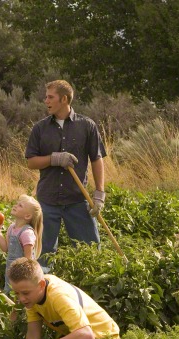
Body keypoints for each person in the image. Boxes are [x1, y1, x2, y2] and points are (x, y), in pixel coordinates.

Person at [25, 80, 107, 270]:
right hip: (47, 201)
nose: (46, 101)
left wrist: (99, 195)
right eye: (46, 97)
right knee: (41, 258)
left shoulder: (87, 126)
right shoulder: (40, 128)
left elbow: (97, 159)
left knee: (90, 253)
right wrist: (54, 158)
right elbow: (31, 162)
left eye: (50, 97)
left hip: (77, 200)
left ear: (64, 99)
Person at [7, 257, 119, 339]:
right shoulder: (32, 298)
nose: (21, 298)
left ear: (41, 285)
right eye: (17, 293)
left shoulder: (58, 296)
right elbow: (33, 334)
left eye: (25, 293)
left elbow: (86, 335)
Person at [0, 194, 43, 293]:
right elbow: (5, 248)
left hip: (24, 273)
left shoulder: (26, 233)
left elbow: (27, 260)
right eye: (17, 204)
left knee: (20, 294)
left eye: (20, 206)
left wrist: (21, 276)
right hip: (11, 269)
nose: (15, 206)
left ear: (27, 216)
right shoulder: (12, 228)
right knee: (10, 292)